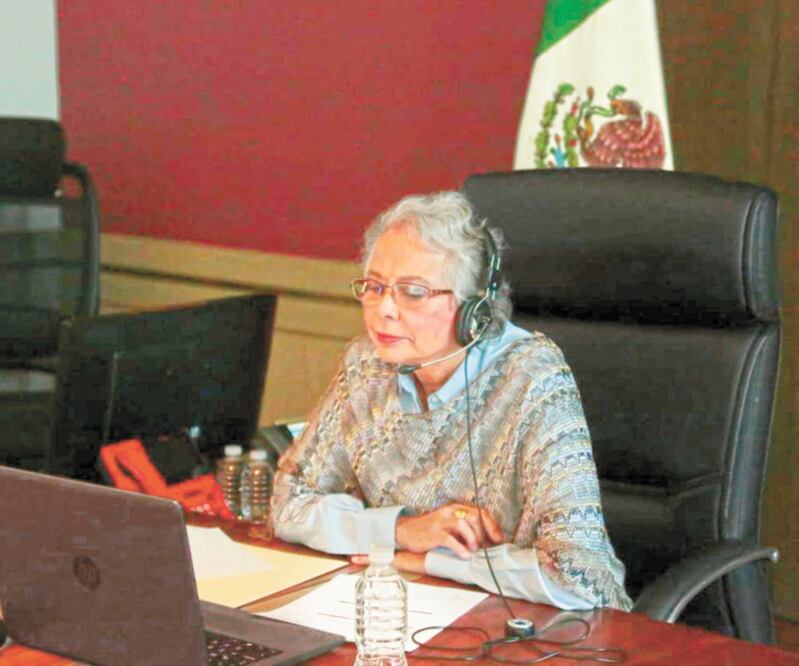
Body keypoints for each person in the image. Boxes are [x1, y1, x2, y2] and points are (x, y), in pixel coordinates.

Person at [271, 191, 632, 610]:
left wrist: (434, 561)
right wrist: (403, 531)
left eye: (413, 292)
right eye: (374, 286)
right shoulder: (365, 366)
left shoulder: (533, 376)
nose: (384, 309)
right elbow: (288, 505)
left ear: (473, 308)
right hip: (410, 611)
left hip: (531, 629)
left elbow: (582, 579)